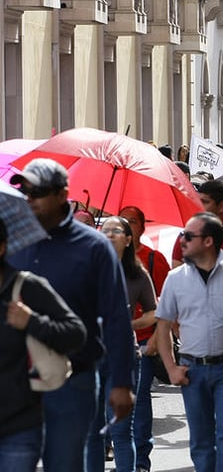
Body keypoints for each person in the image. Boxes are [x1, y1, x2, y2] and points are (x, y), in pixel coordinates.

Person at [9, 159, 136, 472]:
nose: (30, 199)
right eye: (25, 192)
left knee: (64, 465)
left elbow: (117, 317)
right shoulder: (12, 242)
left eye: (37, 192)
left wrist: (122, 383)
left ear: (62, 194)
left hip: (72, 379)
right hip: (14, 382)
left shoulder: (95, 247)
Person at [156, 213, 223, 472]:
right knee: (201, 439)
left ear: (208, 241)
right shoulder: (176, 278)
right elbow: (163, 327)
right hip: (191, 370)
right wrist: (171, 367)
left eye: (189, 236)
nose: (182, 241)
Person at [0, 216, 86, 472]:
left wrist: (32, 322)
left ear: (2, 247)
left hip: (18, 427)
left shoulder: (26, 287)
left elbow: (75, 333)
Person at [87, 217, 157, 472]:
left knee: (120, 429)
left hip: (124, 356)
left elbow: (153, 312)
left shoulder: (138, 274)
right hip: (90, 355)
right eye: (104, 230)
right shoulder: (88, 269)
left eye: (117, 230)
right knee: (92, 431)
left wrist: (130, 324)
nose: (109, 234)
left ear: (128, 240)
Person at [118, 206, 170, 472]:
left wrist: (157, 339)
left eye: (132, 221)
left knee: (138, 402)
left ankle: (140, 462)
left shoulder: (153, 260)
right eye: (121, 222)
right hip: (111, 344)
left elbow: (166, 305)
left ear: (142, 226)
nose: (126, 226)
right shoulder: (104, 260)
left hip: (143, 342)